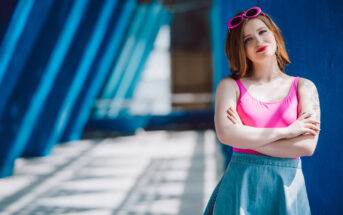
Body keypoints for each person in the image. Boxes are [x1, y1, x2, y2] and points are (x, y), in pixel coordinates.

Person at [204, 7, 321, 215]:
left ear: (274, 35)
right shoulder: (230, 86)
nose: (258, 41)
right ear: (241, 49)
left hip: (286, 190)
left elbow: (306, 146)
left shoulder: (305, 87)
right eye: (248, 39)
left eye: (262, 32)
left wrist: (244, 138)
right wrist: (288, 131)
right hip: (240, 187)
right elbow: (226, 134)